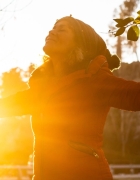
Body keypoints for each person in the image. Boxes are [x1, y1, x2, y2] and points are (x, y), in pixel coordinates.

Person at [0, 15, 140, 180]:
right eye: (52, 28)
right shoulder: (42, 89)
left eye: (62, 29)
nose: (52, 32)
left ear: (80, 43)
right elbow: (7, 105)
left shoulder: (94, 79)